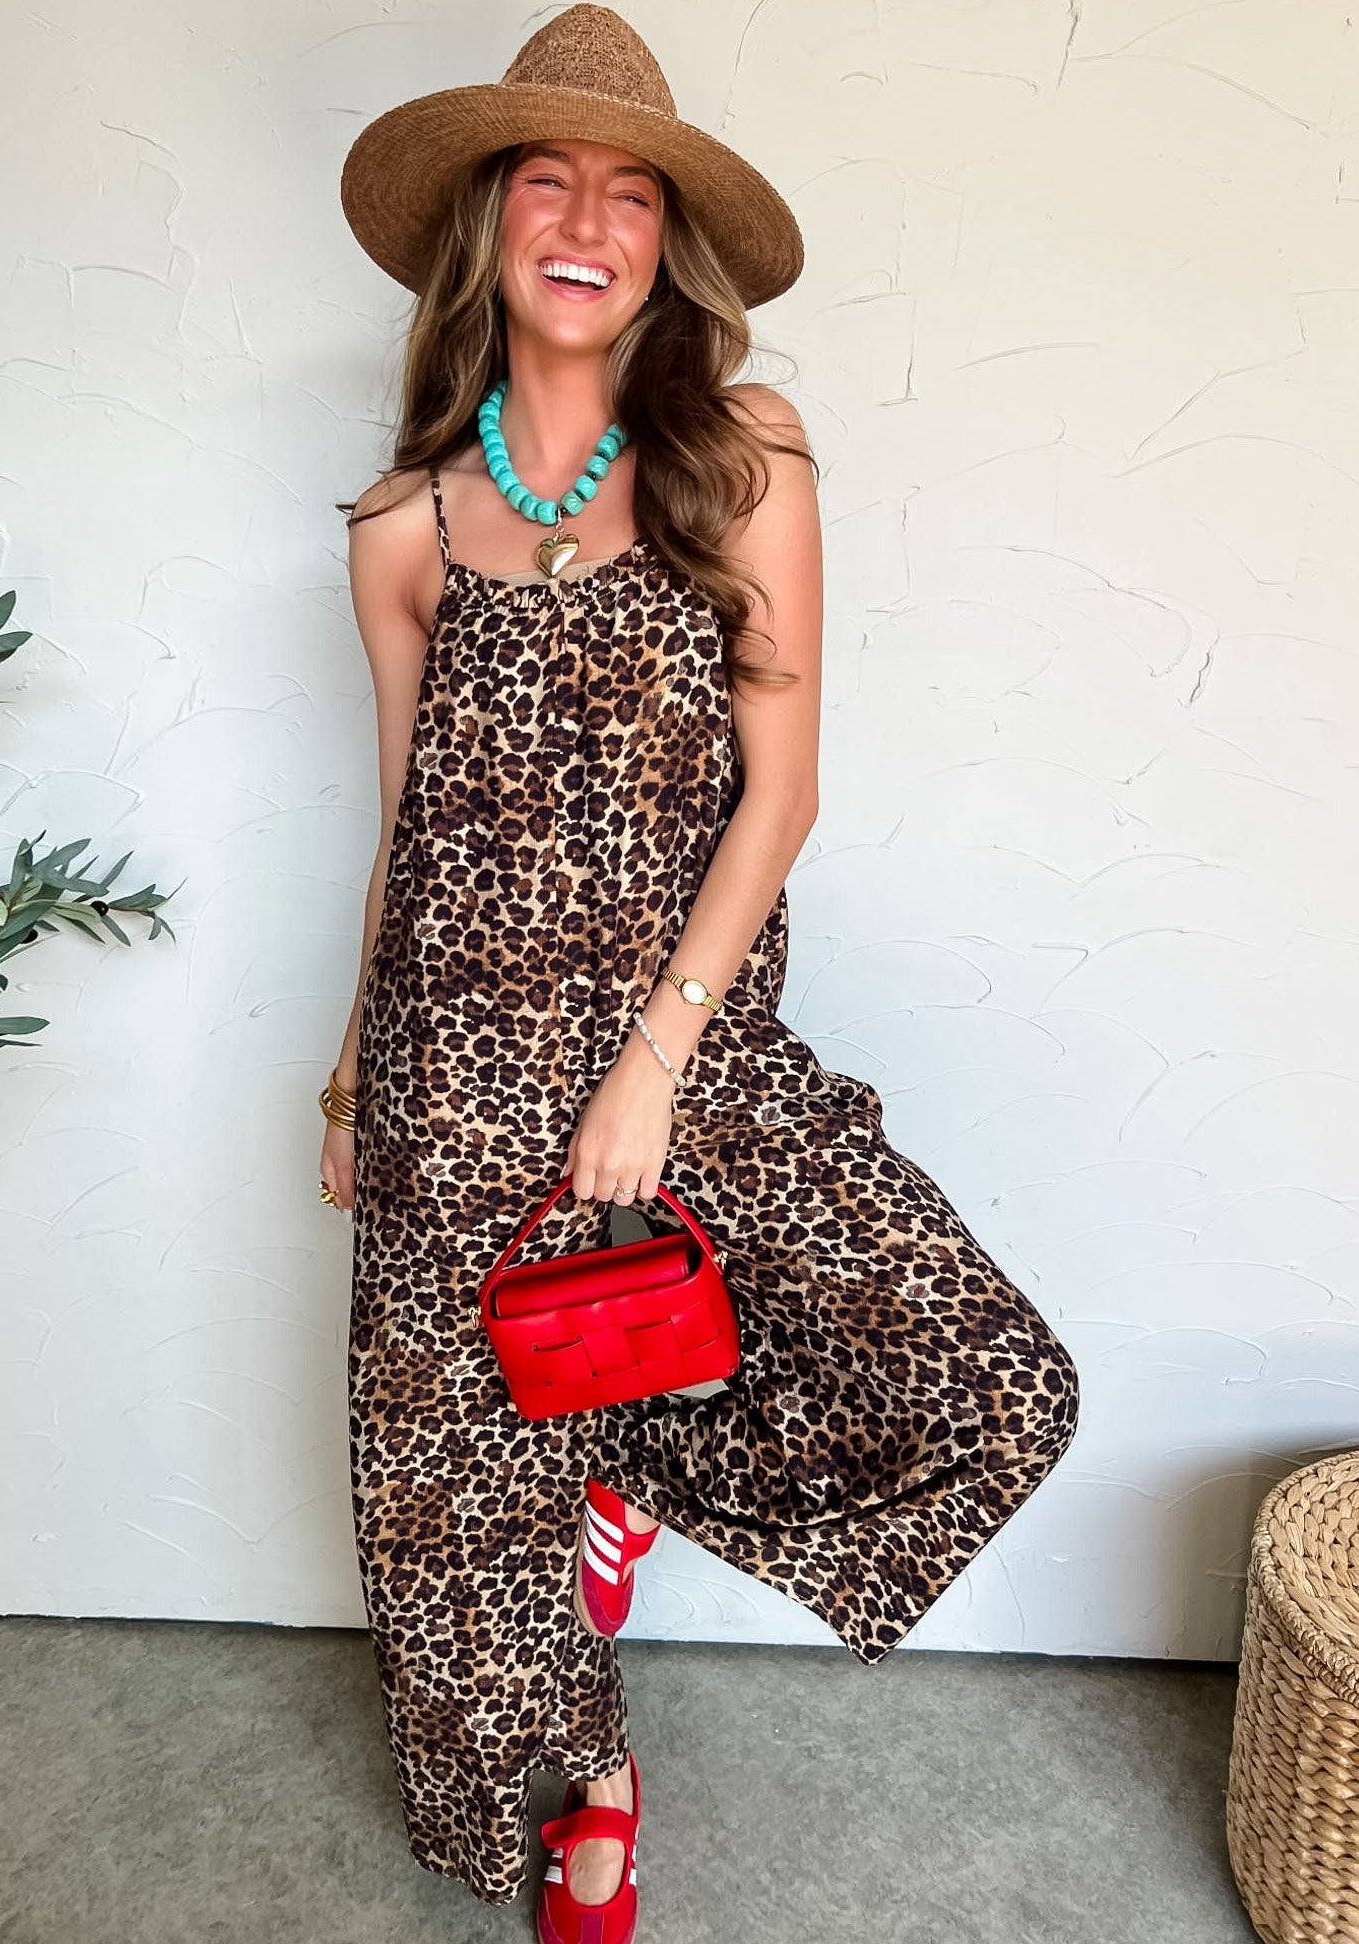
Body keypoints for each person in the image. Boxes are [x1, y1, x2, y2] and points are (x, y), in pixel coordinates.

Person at [322, 8, 1081, 1942]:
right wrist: (347, 1078)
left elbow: (784, 787)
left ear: (668, 246)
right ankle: (582, 1786)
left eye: (631, 195)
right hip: (448, 1070)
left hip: (683, 1050)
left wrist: (655, 1059)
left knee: (986, 1375)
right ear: (487, 226)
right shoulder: (404, 526)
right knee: (448, 1503)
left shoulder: (743, 458)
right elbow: (409, 826)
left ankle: (630, 1469)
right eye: (546, 182)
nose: (586, 223)